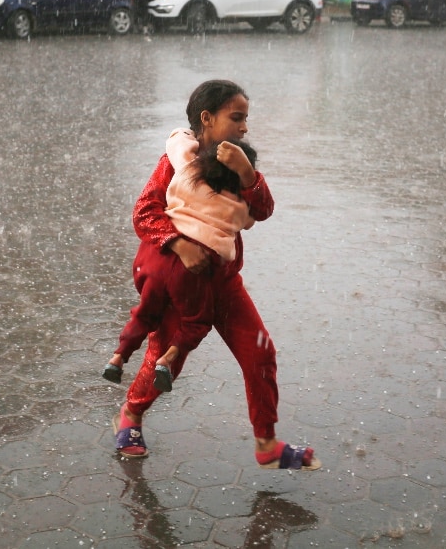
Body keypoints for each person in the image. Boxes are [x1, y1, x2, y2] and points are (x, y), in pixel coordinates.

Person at [111, 79, 321, 471]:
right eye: (236, 118)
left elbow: (263, 210)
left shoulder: (240, 163)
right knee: (166, 359)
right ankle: (131, 416)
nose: (244, 128)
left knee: (260, 353)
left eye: (246, 120)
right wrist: (179, 244)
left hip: (223, 282)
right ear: (206, 119)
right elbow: (144, 213)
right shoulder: (176, 161)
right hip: (180, 281)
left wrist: (247, 175)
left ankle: (266, 443)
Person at [103, 132, 258, 392]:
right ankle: (167, 359)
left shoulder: (185, 172)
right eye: (238, 118)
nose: (244, 126)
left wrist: (183, 135)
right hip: (191, 270)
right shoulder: (235, 205)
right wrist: (246, 180)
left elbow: (177, 147)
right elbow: (253, 219)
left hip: (155, 260)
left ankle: (118, 357)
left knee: (144, 313)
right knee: (196, 321)